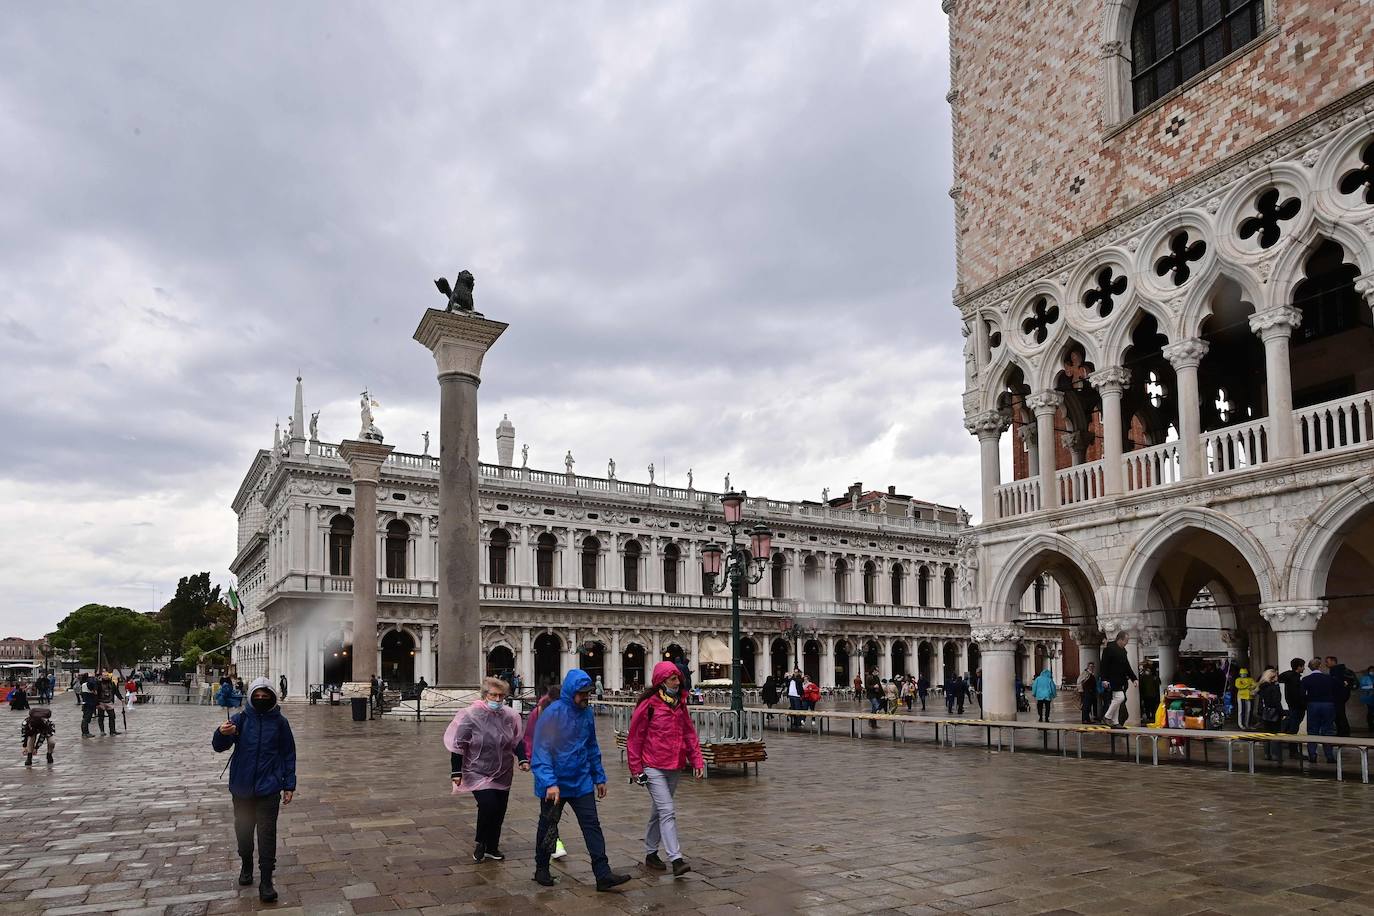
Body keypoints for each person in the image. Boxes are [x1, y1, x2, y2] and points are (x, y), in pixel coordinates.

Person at [529, 669, 630, 892]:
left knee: (592, 826)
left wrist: (599, 777)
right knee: (548, 826)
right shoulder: (552, 714)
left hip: (581, 780)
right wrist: (549, 782)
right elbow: (541, 751)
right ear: (572, 692)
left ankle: (603, 874)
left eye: (589, 693)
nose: (587, 697)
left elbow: (591, 746)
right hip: (554, 783)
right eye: (583, 693)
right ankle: (541, 867)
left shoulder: (586, 714)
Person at [212, 677, 297, 903]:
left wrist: (289, 784)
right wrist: (222, 732)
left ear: (271, 696)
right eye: (257, 695)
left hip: (269, 787)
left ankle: (267, 880)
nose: (261, 699)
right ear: (251, 696)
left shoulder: (280, 723)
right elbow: (219, 747)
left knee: (267, 834)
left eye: (265, 695)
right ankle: (246, 863)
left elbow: (288, 754)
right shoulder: (240, 719)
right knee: (244, 830)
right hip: (241, 787)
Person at [626, 661, 704, 877]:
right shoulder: (649, 705)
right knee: (667, 810)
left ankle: (651, 853)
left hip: (675, 765)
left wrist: (697, 759)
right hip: (653, 766)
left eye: (678, 678)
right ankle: (676, 858)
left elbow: (689, 733)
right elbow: (634, 738)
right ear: (662, 681)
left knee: (659, 810)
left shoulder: (680, 704)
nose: (678, 682)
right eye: (673, 679)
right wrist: (636, 769)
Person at [448, 677, 529, 863]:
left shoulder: (510, 716)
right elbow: (458, 744)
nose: (498, 699)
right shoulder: (471, 716)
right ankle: (481, 842)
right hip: (476, 769)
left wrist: (523, 758)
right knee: (488, 805)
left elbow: (516, 740)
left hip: (503, 770)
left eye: (501, 696)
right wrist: (456, 771)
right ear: (485, 695)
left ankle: (493, 846)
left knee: (500, 809)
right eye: (494, 695)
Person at [523, 686, 567, 862]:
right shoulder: (539, 711)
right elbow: (529, 737)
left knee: (552, 811)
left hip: (567, 766)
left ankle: (553, 846)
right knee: (549, 811)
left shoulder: (571, 711)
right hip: (544, 765)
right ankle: (552, 847)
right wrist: (528, 758)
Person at [1302, 657, 1338, 764]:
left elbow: (1302, 694)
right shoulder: (1329, 678)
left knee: (1312, 730)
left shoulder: (1306, 680)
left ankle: (1312, 755)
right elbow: (1336, 690)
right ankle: (1329, 755)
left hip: (1313, 704)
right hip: (1328, 704)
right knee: (1328, 730)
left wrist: (1307, 703)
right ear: (1320, 666)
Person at [1098, 631, 1136, 728]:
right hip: (1112, 679)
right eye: (1126, 641)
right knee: (1120, 697)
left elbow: (1127, 666)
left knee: (1117, 699)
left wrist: (1133, 678)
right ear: (1120, 639)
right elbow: (1103, 665)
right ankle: (1107, 716)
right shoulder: (1109, 649)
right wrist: (1104, 679)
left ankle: (1115, 722)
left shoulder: (1123, 651)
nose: (1126, 643)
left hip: (1120, 680)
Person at [1278, 657, 1307, 761]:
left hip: (1293, 706)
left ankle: (1292, 750)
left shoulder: (1289, 677)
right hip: (1297, 706)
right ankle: (1293, 751)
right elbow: (1297, 695)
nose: (1304, 668)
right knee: (1294, 728)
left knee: (1293, 727)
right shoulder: (1295, 679)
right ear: (1298, 667)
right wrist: (1303, 703)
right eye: (1303, 666)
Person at [1254, 666, 1284, 761]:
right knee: (1275, 734)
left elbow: (1261, 702)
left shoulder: (1262, 687)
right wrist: (1282, 712)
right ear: (1273, 677)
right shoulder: (1274, 688)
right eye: (1276, 676)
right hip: (1274, 713)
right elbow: (1276, 702)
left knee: (1266, 734)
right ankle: (1275, 755)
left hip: (1264, 713)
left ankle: (1267, 754)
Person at [1325, 655, 1357, 737]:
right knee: (1340, 714)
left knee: (1339, 715)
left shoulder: (1337, 671)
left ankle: (1343, 732)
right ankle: (1343, 731)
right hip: (1342, 696)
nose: (1326, 664)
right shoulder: (1342, 670)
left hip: (1338, 696)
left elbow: (1337, 684)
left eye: (1327, 662)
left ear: (1333, 661)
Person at [1137, 661, 1161, 727]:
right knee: (1152, 706)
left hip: (1147, 695)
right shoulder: (1154, 676)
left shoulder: (1143, 676)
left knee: (1148, 706)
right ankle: (1152, 716)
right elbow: (1158, 684)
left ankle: (1149, 716)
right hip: (1152, 694)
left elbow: (1141, 686)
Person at [77, 673, 98, 738]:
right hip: (88, 704)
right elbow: (92, 689)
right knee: (86, 718)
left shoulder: (83, 684)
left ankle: (85, 732)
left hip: (87, 703)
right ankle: (85, 733)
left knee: (86, 718)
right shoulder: (87, 684)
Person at [1359, 666, 1374, 733]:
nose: (1372, 672)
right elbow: (1362, 687)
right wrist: (1372, 686)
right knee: (1370, 712)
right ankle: (1371, 727)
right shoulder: (1365, 678)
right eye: (1371, 670)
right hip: (1369, 697)